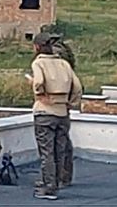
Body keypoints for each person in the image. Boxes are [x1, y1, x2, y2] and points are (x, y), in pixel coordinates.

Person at [29, 32, 83, 200]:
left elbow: (38, 82)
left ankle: (49, 187)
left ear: (37, 47)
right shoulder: (63, 64)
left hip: (45, 111)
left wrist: (40, 93)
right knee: (60, 150)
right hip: (62, 111)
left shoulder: (39, 64)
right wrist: (70, 102)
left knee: (47, 152)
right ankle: (57, 180)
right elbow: (78, 87)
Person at [50, 34, 76, 188]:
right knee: (63, 142)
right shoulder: (65, 55)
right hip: (63, 104)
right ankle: (63, 176)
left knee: (56, 145)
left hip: (54, 104)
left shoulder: (54, 55)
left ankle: (57, 177)